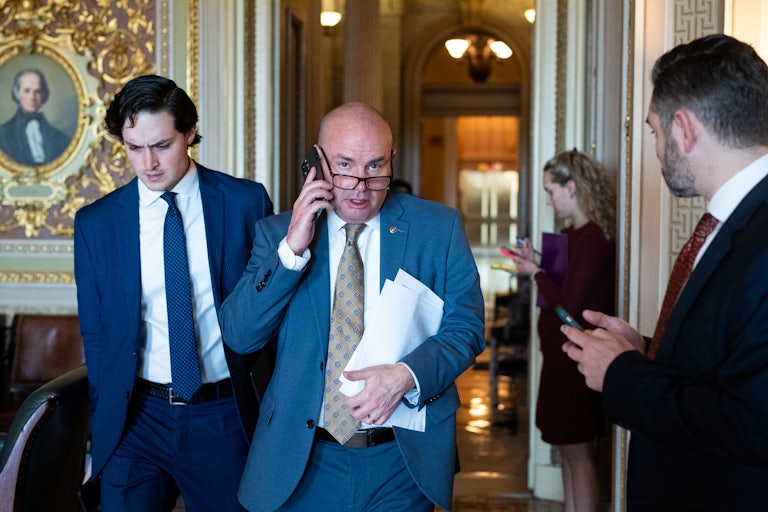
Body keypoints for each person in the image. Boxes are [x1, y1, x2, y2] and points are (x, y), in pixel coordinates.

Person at [220, 102, 485, 511]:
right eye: (344, 166)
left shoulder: (438, 228)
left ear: (392, 160)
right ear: (318, 161)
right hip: (301, 460)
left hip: (400, 458)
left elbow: (466, 328)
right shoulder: (277, 233)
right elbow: (240, 335)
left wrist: (407, 375)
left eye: (375, 167)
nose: (360, 186)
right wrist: (291, 251)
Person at [561, 34, 768, 510]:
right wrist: (648, 352)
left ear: (685, 128)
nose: (655, 149)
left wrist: (622, 374)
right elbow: (733, 360)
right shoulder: (732, 219)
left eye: (655, 131)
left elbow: (753, 422)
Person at [74, 74, 273, 511]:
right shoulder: (96, 224)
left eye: (161, 145)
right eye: (134, 148)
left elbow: (271, 313)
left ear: (190, 133)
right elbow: (98, 339)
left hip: (222, 416)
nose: (148, 163)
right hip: (136, 421)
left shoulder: (246, 203)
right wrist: (101, 439)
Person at [511, 149, 615, 512]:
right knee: (568, 450)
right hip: (561, 357)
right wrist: (536, 264)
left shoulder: (593, 236)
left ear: (571, 187)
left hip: (577, 360)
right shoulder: (574, 234)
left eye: (550, 191)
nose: (548, 200)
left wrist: (535, 273)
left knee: (578, 451)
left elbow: (569, 303)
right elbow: (566, 285)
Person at [0, 68, 70, 165]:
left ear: (44, 95)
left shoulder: (61, 139)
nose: (32, 97)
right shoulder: (2, 135)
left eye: (37, 91)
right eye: (27, 91)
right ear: (17, 93)